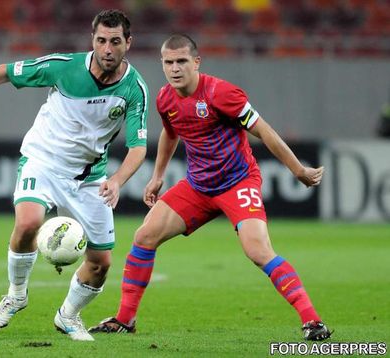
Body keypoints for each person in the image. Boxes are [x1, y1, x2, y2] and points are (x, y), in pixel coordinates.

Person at [89, 34, 332, 341]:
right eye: (168, 62)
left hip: (238, 183)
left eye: (181, 62)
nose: (175, 68)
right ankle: (125, 319)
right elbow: (170, 133)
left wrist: (298, 169)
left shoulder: (222, 93)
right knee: (144, 236)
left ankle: (312, 321)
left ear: (196, 62)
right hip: (199, 187)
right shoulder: (165, 97)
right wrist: (158, 175)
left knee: (257, 251)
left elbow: (264, 131)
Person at [0, 9, 149, 341]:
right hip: (42, 161)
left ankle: (68, 316)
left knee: (101, 263)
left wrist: (117, 181)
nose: (107, 49)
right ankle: (16, 294)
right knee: (28, 222)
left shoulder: (134, 90)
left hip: (89, 178)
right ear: (93, 39)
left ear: (128, 43)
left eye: (115, 42)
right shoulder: (63, 67)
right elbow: (5, 72)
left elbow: (137, 147)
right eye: (101, 40)